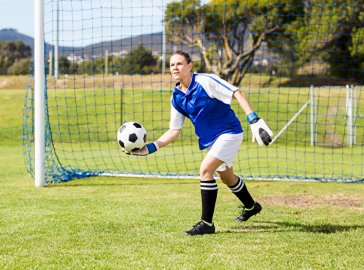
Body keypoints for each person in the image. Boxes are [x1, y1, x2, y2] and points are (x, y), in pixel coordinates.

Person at [127, 50, 273, 235]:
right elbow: (174, 131)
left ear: (189, 66)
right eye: (172, 65)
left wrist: (253, 119)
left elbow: (236, 92)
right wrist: (149, 148)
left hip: (230, 132)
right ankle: (252, 207)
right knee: (227, 177)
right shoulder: (176, 97)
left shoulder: (205, 81)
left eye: (179, 63)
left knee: (205, 170)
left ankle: (207, 224)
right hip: (212, 140)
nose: (175, 67)